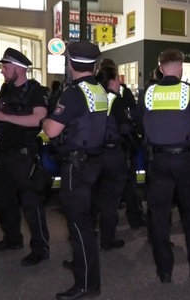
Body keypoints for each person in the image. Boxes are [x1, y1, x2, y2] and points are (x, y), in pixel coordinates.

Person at [139, 48, 190, 283]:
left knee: (159, 217)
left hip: (158, 161)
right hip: (184, 160)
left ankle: (165, 271)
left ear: (161, 68)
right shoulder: (189, 93)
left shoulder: (148, 93)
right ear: (180, 67)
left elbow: (143, 125)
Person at [42, 41, 107, 299]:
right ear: (95, 65)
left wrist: (44, 120)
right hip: (94, 163)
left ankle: (87, 285)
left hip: (76, 166)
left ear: (70, 63)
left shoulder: (73, 93)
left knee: (79, 226)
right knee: (87, 224)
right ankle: (87, 272)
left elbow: (52, 130)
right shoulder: (98, 89)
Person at [0, 48, 50, 268]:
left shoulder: (35, 91)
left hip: (24, 158)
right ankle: (12, 239)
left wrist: (2, 116)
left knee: (31, 205)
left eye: (5, 67)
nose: (2, 71)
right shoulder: (5, 89)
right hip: (4, 155)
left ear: (19, 68)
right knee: (3, 200)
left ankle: (40, 249)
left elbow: (37, 120)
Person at [100, 58, 146, 229]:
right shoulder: (119, 96)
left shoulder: (95, 94)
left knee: (103, 190)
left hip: (99, 149)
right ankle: (134, 218)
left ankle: (100, 224)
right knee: (128, 185)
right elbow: (130, 117)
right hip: (120, 147)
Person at [93, 65, 133, 250]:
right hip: (112, 154)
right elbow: (125, 128)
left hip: (93, 154)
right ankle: (108, 240)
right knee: (110, 201)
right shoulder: (114, 101)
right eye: (117, 79)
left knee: (93, 198)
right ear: (110, 81)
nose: (120, 82)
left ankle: (86, 236)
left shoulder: (93, 96)